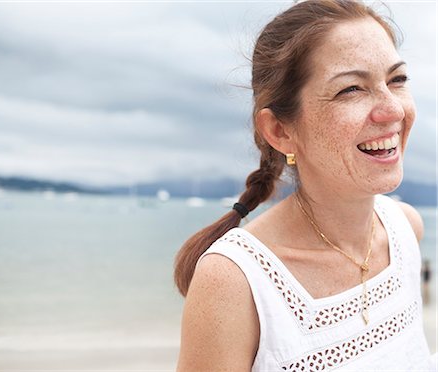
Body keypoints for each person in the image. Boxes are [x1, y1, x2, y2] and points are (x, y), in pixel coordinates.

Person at [174, 0, 435, 370]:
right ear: (280, 131)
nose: (393, 110)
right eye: (351, 90)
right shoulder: (236, 282)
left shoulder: (406, 230)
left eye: (397, 80)